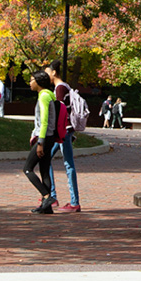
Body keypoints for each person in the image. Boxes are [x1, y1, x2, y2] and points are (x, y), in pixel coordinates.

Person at [45, 60, 84, 212]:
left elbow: (60, 113)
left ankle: (74, 202)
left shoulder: (60, 88)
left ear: (54, 72)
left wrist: (56, 132)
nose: (46, 75)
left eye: (47, 72)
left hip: (63, 131)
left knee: (69, 165)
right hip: (65, 131)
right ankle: (52, 196)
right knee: (46, 158)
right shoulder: (63, 87)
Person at [23, 70, 58, 214]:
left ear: (38, 82)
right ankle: (47, 207)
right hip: (50, 137)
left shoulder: (43, 96)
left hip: (45, 138)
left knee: (27, 169)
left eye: (32, 80)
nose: (30, 83)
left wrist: (40, 142)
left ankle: (47, 197)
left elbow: (44, 122)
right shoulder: (49, 94)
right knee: (44, 170)